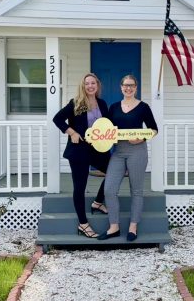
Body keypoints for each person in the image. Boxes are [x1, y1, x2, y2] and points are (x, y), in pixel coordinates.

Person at [98, 74, 158, 242]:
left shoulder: (143, 107)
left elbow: (154, 129)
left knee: (136, 190)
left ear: (136, 88)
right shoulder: (114, 107)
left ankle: (133, 226)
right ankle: (114, 227)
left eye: (132, 85)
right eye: (126, 85)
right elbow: (107, 129)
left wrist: (142, 138)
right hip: (118, 151)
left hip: (137, 150)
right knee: (109, 189)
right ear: (121, 87)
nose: (128, 88)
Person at [53, 73, 111, 238]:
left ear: (97, 85)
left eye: (93, 83)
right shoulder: (75, 103)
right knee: (80, 187)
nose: (90, 86)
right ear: (83, 86)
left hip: (98, 149)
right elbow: (57, 119)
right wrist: (71, 132)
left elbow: (107, 125)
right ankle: (83, 224)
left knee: (114, 171)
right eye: (87, 83)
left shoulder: (102, 103)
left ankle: (98, 202)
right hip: (79, 151)